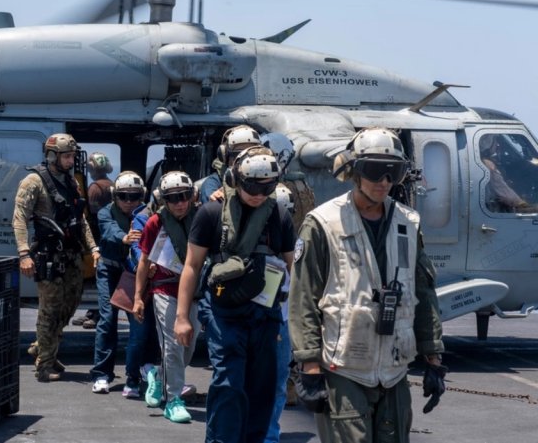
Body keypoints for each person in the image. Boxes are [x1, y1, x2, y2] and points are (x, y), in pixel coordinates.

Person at [289, 127, 446, 442]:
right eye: (375, 170)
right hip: (344, 368)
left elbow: (423, 291)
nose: (384, 181)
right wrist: (309, 364)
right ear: (354, 171)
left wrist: (432, 356)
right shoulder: (323, 224)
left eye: (393, 172)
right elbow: (304, 296)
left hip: (394, 369)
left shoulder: (407, 222)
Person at [175, 145, 296, 443]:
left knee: (262, 387)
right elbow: (191, 266)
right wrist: (182, 318)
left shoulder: (279, 215)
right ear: (235, 178)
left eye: (266, 187)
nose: (257, 193)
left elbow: (293, 270)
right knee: (229, 384)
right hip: (223, 313)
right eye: (251, 185)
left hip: (265, 316)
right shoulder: (212, 213)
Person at [13, 133, 100, 383]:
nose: (71, 160)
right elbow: (19, 217)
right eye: (67, 156)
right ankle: (44, 366)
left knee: (68, 307)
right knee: (49, 311)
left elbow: (80, 219)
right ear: (52, 155)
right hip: (48, 255)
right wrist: (23, 253)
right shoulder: (34, 182)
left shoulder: (70, 181)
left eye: (73, 155)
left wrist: (93, 248)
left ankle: (44, 347)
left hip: (71, 254)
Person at [134, 171, 200, 423]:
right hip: (164, 289)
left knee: (188, 348)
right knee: (172, 345)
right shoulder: (154, 223)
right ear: (164, 201)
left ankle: (159, 377)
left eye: (184, 196)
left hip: (193, 293)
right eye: (173, 198)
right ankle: (173, 400)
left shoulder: (201, 217)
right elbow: (143, 261)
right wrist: (138, 297)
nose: (180, 202)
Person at [90, 171, 156, 396]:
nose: (129, 201)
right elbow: (109, 230)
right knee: (107, 320)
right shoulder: (105, 213)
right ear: (114, 196)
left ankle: (141, 369)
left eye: (134, 196)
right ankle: (102, 374)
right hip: (110, 270)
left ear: (142, 196)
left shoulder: (147, 213)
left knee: (141, 323)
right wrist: (124, 238)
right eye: (123, 196)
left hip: (134, 272)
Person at [264, 183, 296, 443]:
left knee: (278, 379)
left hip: (282, 317)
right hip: (250, 317)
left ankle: (270, 433)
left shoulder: (296, 243)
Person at [71, 152, 115, 330]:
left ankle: (97, 313)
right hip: (107, 233)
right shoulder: (111, 185)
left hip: (98, 233)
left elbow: (91, 213)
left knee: (99, 274)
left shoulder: (95, 188)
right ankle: (92, 311)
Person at [197, 125, 263, 204]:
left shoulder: (268, 180)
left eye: (251, 154)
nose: (245, 160)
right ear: (225, 156)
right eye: (238, 154)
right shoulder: (213, 184)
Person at [479, 134, 538, 213]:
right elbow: (504, 192)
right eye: (495, 141)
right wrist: (522, 205)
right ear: (487, 144)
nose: (497, 144)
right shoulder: (488, 166)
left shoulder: (484, 162)